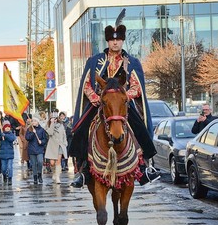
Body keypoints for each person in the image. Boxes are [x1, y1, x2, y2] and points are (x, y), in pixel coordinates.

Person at [68, 20, 159, 188]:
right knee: (81, 129)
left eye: (118, 40)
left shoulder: (132, 62)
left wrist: (123, 96)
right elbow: (86, 84)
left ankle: (145, 166)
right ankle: (82, 169)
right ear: (108, 41)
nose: (115, 43)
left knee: (140, 128)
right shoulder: (94, 61)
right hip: (100, 104)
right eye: (112, 40)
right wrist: (95, 97)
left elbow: (137, 87)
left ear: (122, 41)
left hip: (122, 104)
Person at [44, 113, 68, 184]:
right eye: (52, 118)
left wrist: (65, 143)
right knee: (52, 163)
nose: (54, 119)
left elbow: (64, 134)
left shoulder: (61, 125)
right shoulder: (47, 126)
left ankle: (57, 177)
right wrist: (52, 123)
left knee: (58, 162)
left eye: (55, 118)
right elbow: (50, 133)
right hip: (52, 146)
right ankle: (54, 172)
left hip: (60, 145)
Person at [25, 117, 48, 184]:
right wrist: (32, 133)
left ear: (38, 122)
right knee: (34, 164)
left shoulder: (42, 130)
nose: (34, 122)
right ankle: (35, 177)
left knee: (40, 162)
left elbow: (45, 139)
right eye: (33, 121)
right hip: (32, 149)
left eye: (35, 121)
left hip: (39, 149)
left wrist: (42, 142)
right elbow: (27, 138)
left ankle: (39, 174)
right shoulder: (29, 129)